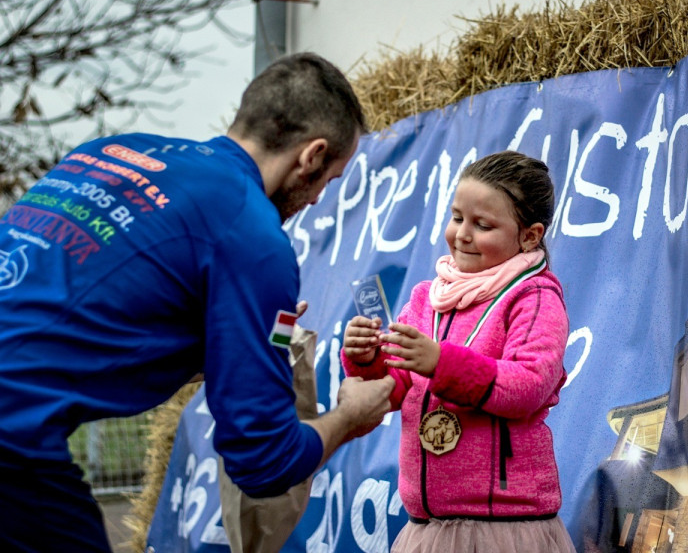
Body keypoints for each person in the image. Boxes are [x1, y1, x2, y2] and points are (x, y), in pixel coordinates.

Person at [0, 52, 394, 552]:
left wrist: (233, 352)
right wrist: (348, 418)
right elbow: (263, 460)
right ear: (311, 156)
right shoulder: (251, 234)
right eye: (328, 180)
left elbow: (78, 315)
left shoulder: (111, 153)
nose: (317, 200)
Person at [342, 151, 576, 553]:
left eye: (482, 225)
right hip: (428, 529)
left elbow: (529, 385)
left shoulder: (535, 297)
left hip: (505, 531)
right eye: (457, 218)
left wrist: (440, 363)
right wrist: (367, 360)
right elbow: (398, 385)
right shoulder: (426, 298)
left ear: (530, 236)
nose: (462, 235)